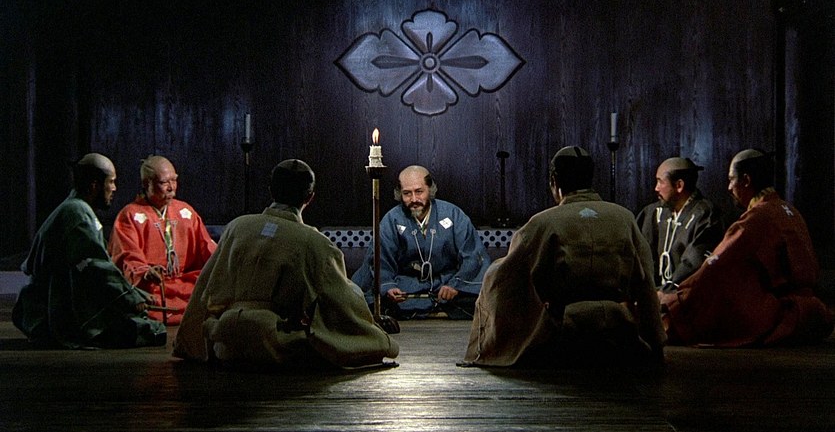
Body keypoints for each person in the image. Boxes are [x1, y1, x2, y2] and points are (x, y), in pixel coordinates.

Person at [173, 159, 399, 368]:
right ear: (310, 197)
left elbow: (206, 286)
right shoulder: (314, 242)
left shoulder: (237, 227)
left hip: (226, 340)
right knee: (372, 340)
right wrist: (372, 325)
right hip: (275, 341)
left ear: (270, 190)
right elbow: (341, 301)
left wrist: (189, 341)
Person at [461, 146, 665, 367]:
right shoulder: (624, 218)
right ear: (590, 178)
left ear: (554, 181)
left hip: (565, 329)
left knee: (494, 274)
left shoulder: (544, 222)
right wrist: (655, 342)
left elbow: (506, 279)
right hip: (619, 327)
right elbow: (645, 282)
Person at [660, 149, 833, 347]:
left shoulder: (755, 220)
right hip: (812, 312)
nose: (729, 187)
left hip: (781, 314)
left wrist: (674, 298)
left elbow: (714, 269)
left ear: (746, 180)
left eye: (731, 180)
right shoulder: (790, 211)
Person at [12, 153, 166, 349]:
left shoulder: (76, 208)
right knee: (152, 330)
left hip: (60, 306)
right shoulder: (76, 213)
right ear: (94, 185)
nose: (114, 188)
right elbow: (96, 267)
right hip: (56, 313)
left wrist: (134, 294)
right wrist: (131, 298)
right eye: (111, 182)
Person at [351, 165, 491, 319]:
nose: (414, 199)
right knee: (369, 300)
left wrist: (455, 285)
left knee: (481, 299)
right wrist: (389, 287)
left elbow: (472, 255)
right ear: (399, 194)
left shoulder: (453, 214)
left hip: (444, 283)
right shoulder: (392, 219)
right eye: (407, 193)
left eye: (419, 192)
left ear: (430, 189)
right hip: (407, 285)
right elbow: (380, 260)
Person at [108, 155, 216, 325]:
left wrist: (223, 261)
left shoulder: (185, 212)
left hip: (183, 283)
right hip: (153, 287)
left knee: (207, 288)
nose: (171, 187)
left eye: (174, 180)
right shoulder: (130, 215)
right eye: (164, 182)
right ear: (147, 184)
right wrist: (145, 272)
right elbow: (127, 254)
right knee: (143, 299)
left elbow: (206, 247)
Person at [636, 157, 724, 291]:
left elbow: (694, 262)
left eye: (660, 181)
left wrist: (668, 291)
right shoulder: (652, 212)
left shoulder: (706, 214)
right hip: (654, 293)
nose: (656, 188)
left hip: (686, 294)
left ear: (679, 185)